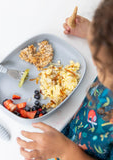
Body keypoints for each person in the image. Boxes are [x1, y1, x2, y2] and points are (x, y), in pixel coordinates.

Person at [16, 0, 113, 159]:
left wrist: (65, 150)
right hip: (75, 130)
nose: (95, 64)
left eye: (101, 67)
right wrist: (95, 34)